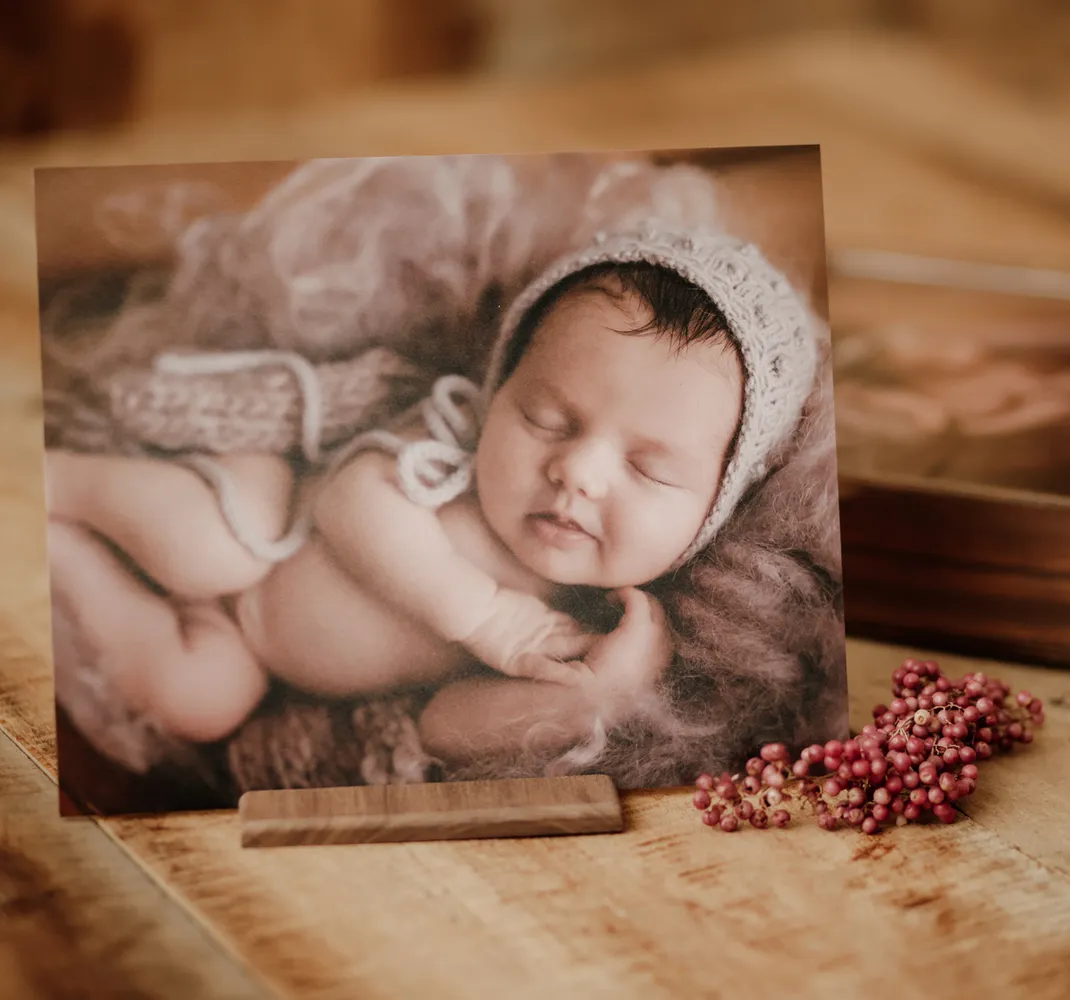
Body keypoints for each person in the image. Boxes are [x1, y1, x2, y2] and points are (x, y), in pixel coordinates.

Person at [44, 226, 821, 769]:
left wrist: (592, 702)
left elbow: (441, 727)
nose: (577, 471)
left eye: (649, 469)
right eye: (544, 418)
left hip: (251, 652)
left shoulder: (587, 627)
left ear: (716, 508)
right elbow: (352, 502)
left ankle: (60, 545)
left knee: (199, 701)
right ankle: (58, 480)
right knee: (206, 548)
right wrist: (484, 614)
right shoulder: (447, 448)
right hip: (268, 517)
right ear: (496, 390)